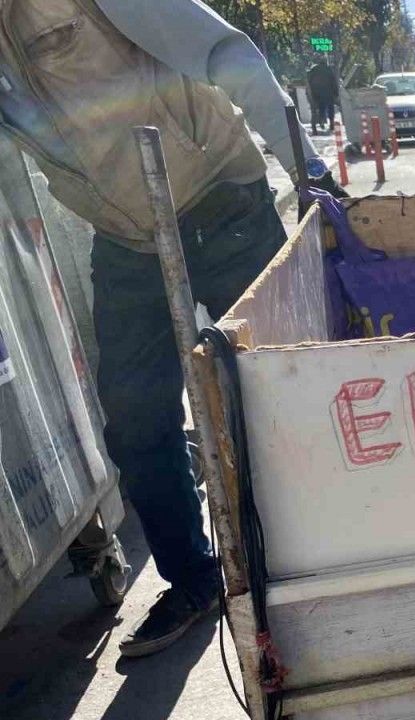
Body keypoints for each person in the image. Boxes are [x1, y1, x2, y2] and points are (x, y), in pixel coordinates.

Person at [0, 0, 345, 658]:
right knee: (134, 418)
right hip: (125, 235)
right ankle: (193, 580)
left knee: (279, 382)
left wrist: (309, 170)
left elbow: (226, 52)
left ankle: (329, 550)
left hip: (220, 197)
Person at [307, 57, 340, 134]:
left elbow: (309, 81)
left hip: (317, 93)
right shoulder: (328, 69)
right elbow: (333, 81)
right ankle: (331, 123)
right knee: (330, 108)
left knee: (321, 108)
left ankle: (321, 121)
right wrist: (336, 93)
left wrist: (312, 94)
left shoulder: (314, 69)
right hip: (328, 93)